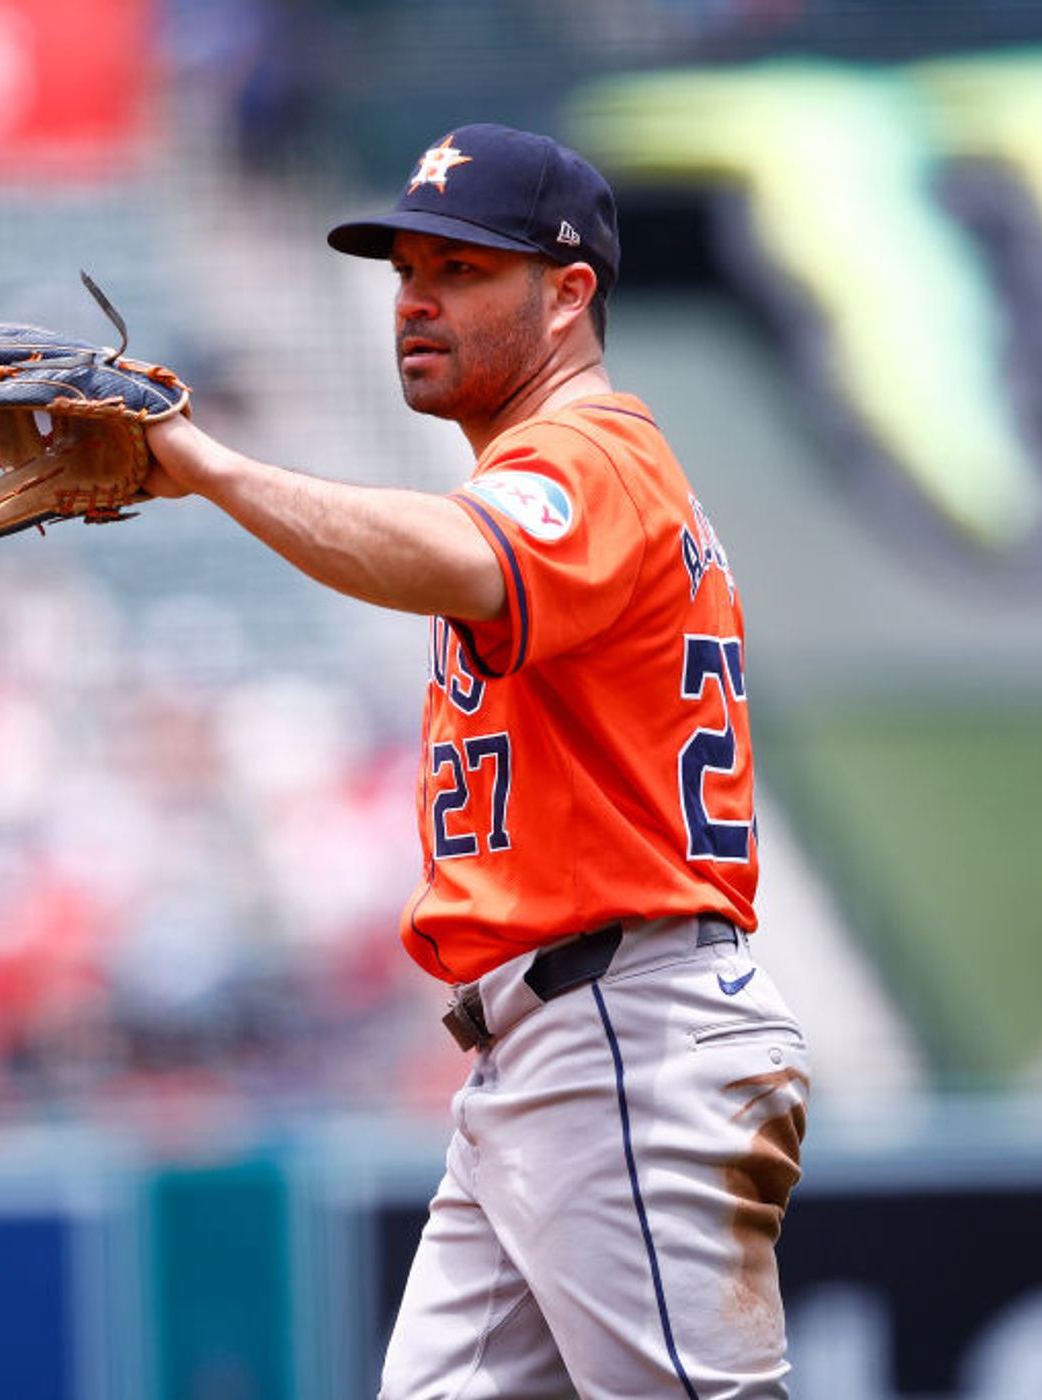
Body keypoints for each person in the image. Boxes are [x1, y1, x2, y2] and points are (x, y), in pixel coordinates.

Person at [144, 122, 811, 1400]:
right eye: (404, 270)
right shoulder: (554, 473)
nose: (414, 299)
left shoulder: (590, 457)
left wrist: (213, 467)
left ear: (568, 295)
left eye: (460, 269)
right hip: (553, 1048)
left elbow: (459, 559)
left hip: (626, 1032)